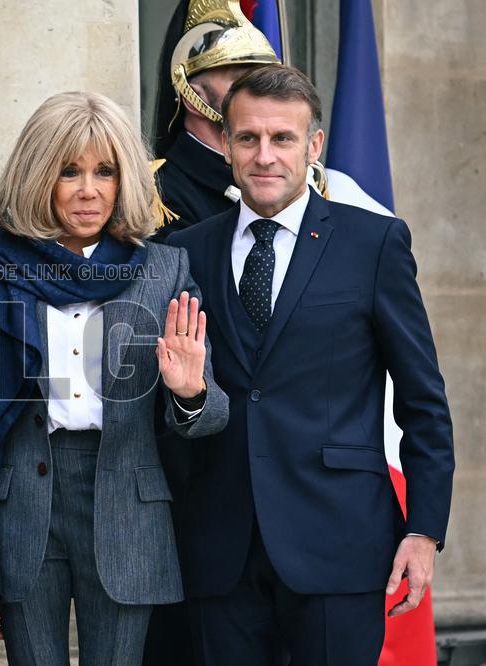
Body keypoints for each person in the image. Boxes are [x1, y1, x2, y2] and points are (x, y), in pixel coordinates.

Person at [166, 65, 455, 665]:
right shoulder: (183, 253)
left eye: (283, 139)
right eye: (248, 138)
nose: (264, 155)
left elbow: (423, 397)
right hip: (219, 545)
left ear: (314, 146)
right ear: (225, 143)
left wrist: (424, 530)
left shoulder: (374, 244)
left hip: (341, 541)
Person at [0, 91, 229, 665]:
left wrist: (189, 392)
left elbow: (214, 414)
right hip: (25, 495)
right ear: (38, 176)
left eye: (104, 171)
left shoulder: (163, 268)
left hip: (127, 500)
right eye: (68, 171)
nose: (89, 189)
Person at [151, 0, 279, 241]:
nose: (260, 93)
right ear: (192, 98)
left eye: (261, 79)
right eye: (239, 81)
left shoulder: (290, 173)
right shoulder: (162, 195)